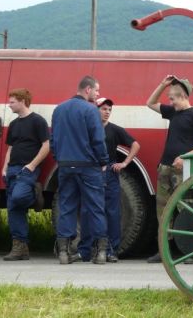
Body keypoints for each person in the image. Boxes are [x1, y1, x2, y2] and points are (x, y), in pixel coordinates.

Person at [145, 74, 193, 263]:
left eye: (172, 98)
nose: (170, 102)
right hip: (165, 168)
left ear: (183, 96)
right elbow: (150, 103)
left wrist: (185, 157)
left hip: (183, 170)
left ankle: (186, 251)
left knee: (185, 210)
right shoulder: (173, 113)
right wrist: (163, 84)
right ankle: (164, 250)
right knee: (163, 211)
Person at [50, 75, 109, 265]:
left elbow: (53, 140)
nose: (98, 94)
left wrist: (60, 158)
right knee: (96, 208)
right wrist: (103, 160)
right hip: (88, 166)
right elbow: (97, 139)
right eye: (97, 90)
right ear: (88, 90)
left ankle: (64, 254)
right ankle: (100, 253)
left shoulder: (59, 109)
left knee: (66, 207)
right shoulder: (91, 110)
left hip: (65, 166)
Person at [77, 97, 141, 263]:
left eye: (109, 110)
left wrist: (125, 162)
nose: (107, 112)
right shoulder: (87, 129)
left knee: (112, 213)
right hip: (91, 171)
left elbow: (135, 144)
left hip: (110, 174)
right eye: (103, 109)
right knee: (88, 210)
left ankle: (112, 250)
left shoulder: (115, 130)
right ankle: (87, 250)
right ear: (95, 110)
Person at [0, 89, 49, 261]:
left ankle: (35, 194)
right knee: (14, 207)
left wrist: (31, 165)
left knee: (18, 198)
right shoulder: (14, 124)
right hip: (12, 170)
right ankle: (20, 247)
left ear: (22, 101)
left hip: (27, 170)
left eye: (12, 101)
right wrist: (5, 168)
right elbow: (10, 148)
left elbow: (46, 146)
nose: (9, 104)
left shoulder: (38, 121)